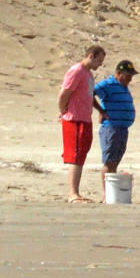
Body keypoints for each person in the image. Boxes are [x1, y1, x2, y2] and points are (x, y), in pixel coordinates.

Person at [57, 44, 106, 203]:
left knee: (81, 154)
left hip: (85, 118)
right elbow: (64, 93)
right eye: (99, 60)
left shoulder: (89, 75)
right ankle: (73, 193)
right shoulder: (77, 71)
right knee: (75, 155)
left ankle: (75, 192)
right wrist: (63, 111)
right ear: (91, 56)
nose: (100, 64)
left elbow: (89, 95)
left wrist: (100, 110)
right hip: (74, 118)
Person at [93, 59, 139, 190]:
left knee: (115, 161)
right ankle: (106, 195)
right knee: (109, 162)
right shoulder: (109, 84)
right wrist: (101, 111)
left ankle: (112, 193)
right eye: (128, 75)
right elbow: (91, 92)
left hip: (122, 128)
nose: (130, 79)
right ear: (119, 73)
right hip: (111, 128)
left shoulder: (123, 87)